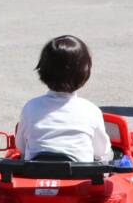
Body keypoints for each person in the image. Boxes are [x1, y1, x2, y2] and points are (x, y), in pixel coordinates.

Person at [15, 35, 111, 163]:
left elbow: (20, 146)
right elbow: (101, 150)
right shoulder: (90, 110)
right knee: (109, 157)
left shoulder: (31, 107)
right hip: (80, 178)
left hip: (34, 175)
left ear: (42, 71)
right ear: (84, 74)